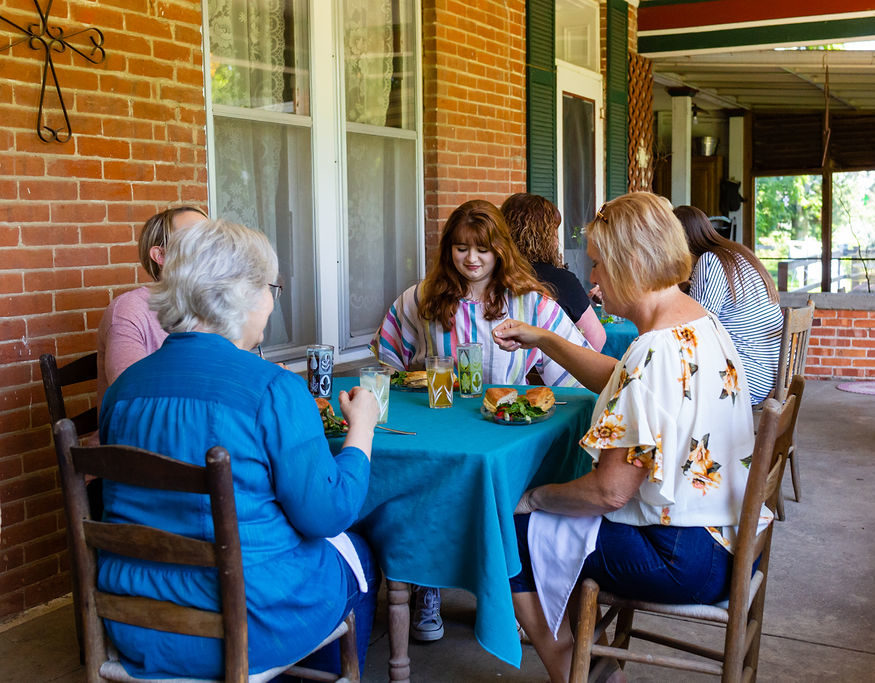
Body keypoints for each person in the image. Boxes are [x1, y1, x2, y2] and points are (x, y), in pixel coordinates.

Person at [492, 192, 767, 683]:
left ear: (633, 262)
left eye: (598, 264)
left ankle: (572, 670)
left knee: (507, 527)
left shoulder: (653, 353)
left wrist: (530, 498)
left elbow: (609, 490)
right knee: (553, 518)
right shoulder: (698, 324)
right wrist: (548, 339)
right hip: (731, 544)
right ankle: (588, 657)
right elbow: (623, 377)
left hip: (683, 558)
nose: (593, 278)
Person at [98, 219, 380, 679]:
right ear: (243, 293)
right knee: (359, 554)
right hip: (242, 625)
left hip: (135, 619)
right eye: (272, 288)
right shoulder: (273, 389)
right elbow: (328, 514)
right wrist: (362, 429)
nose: (272, 303)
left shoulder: (124, 389)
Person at [372, 199, 590, 642]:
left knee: (498, 504)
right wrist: (405, 381)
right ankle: (425, 586)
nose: (471, 259)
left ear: (500, 251)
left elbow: (571, 370)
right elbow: (389, 354)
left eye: (483, 250)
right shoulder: (423, 296)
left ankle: (502, 595)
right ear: (447, 249)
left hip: (498, 429)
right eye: (460, 248)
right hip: (437, 421)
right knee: (426, 494)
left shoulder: (530, 302)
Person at [96, 206, 207, 406]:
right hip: (134, 435)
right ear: (161, 256)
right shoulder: (129, 310)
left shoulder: (210, 307)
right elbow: (132, 396)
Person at [675, 205, 783, 405]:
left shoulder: (710, 261)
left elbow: (696, 330)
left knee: (664, 380)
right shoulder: (735, 255)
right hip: (770, 374)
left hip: (747, 379)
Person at [501, 192, 606, 351]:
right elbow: (596, 341)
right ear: (545, 237)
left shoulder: (491, 277)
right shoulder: (561, 281)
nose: (557, 241)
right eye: (554, 231)